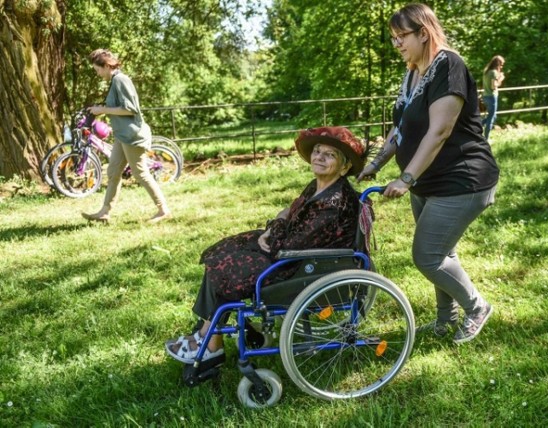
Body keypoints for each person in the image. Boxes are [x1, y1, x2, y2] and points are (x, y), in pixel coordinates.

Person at [358, 3, 499, 345]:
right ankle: (444, 320)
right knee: (442, 254)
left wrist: (405, 178)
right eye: (393, 39)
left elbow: (440, 130)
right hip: (429, 182)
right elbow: (401, 129)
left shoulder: (448, 66)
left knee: (428, 256)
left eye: (401, 37)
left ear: (424, 32)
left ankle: (477, 307)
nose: (397, 45)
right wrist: (375, 164)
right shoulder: (412, 73)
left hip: (462, 180)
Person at [165, 126, 368, 364]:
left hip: (299, 265)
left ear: (344, 166)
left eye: (330, 154)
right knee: (223, 251)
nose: (319, 157)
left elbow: (293, 241)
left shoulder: (333, 202)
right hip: (291, 252)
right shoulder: (318, 186)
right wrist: (274, 227)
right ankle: (206, 333)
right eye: (317, 150)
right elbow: (289, 212)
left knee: (227, 268)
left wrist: (274, 230)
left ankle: (210, 342)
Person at [82, 49, 171, 224]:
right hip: (122, 136)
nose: (98, 74)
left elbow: (130, 109)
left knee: (140, 173)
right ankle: (105, 212)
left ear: (107, 66)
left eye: (98, 70)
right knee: (113, 171)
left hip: (132, 136)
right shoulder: (115, 81)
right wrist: (100, 110)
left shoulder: (121, 80)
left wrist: (103, 110)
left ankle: (163, 210)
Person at [481, 55, 505, 142]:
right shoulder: (493, 72)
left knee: (493, 116)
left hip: (485, 96)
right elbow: (493, 86)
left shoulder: (486, 72)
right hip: (492, 97)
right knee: (491, 119)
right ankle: (486, 139)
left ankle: (478, 125)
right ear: (498, 63)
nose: (501, 66)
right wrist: (501, 79)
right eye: (501, 64)